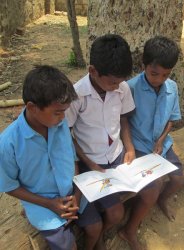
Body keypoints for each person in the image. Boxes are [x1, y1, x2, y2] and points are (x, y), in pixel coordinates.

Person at [0, 65, 87, 250]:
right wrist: (49, 203)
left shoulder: (60, 124)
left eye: (65, 111)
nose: (63, 118)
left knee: (95, 226)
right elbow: (9, 186)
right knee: (67, 246)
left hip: (70, 193)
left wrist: (76, 192)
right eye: (58, 112)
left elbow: (71, 157)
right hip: (41, 201)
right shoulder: (8, 143)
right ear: (32, 107)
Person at [65, 34, 135, 250]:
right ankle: (97, 239)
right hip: (90, 162)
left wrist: (130, 148)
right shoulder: (76, 96)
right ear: (93, 71)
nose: (117, 86)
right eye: (113, 82)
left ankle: (101, 233)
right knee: (110, 214)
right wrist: (90, 163)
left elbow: (123, 119)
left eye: (120, 81)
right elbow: (68, 135)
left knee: (121, 208)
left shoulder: (122, 88)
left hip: (115, 156)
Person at [119, 36, 184, 250]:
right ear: (143, 66)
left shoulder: (171, 88)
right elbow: (124, 120)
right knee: (151, 189)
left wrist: (163, 138)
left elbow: (172, 119)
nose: (160, 79)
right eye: (155, 73)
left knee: (177, 180)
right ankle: (129, 230)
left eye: (166, 74)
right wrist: (129, 148)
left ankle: (161, 201)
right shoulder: (130, 88)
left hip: (160, 145)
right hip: (138, 145)